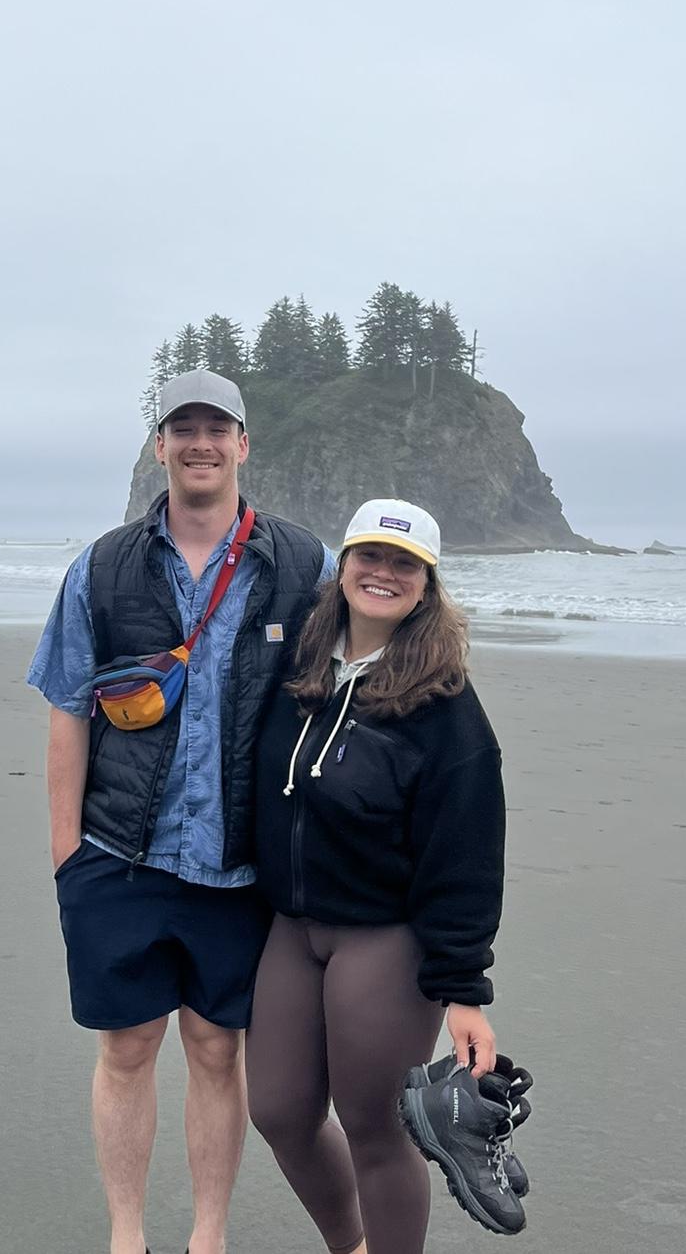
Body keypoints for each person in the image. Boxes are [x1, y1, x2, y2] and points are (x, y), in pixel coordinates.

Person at [27, 369, 334, 1254]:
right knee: (126, 1049)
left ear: (243, 444)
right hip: (118, 853)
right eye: (183, 428)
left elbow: (349, 690)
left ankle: (208, 1237)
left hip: (240, 865)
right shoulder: (102, 567)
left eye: (217, 428)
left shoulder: (302, 564)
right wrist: (67, 858)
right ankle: (127, 1235)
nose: (201, 443)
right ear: (159, 445)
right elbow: (67, 709)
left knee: (214, 1049)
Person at [246, 499, 509, 1254]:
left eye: (404, 564)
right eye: (370, 556)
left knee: (375, 1127)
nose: (383, 573)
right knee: (279, 1112)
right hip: (292, 929)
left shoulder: (445, 706)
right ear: (344, 566)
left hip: (384, 938)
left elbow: (467, 855)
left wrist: (464, 992)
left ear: (426, 585)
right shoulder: (301, 667)